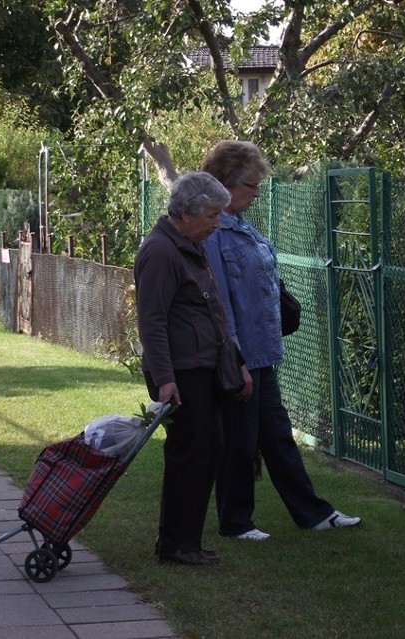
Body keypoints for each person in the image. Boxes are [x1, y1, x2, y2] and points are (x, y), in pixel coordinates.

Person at [201, 140, 361, 540]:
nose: (258, 193)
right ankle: (235, 522)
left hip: (263, 353)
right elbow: (219, 302)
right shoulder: (213, 233)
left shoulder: (243, 225)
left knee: (277, 437)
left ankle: (313, 513)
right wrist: (235, 359)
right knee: (240, 441)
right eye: (251, 185)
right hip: (240, 357)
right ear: (226, 183)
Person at [135, 171, 250, 566]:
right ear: (186, 212)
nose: (217, 224)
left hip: (203, 369)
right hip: (183, 374)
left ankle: (186, 541)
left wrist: (236, 362)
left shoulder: (186, 245)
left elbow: (213, 311)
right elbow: (152, 322)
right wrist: (166, 381)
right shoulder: (160, 252)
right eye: (212, 215)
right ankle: (176, 545)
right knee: (191, 455)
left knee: (208, 451)